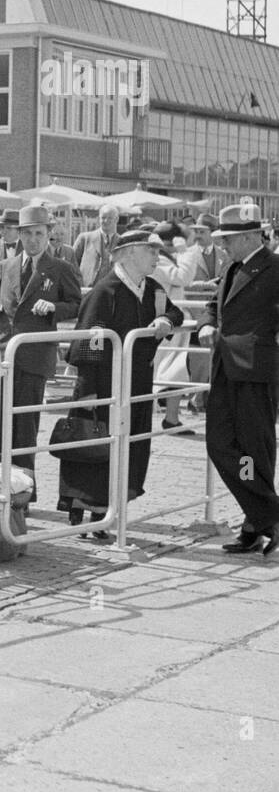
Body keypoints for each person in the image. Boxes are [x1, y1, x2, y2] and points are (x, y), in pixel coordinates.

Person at [58, 230, 184, 538]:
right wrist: (92, 394)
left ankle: (111, 507)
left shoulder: (151, 288)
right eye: (150, 251)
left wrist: (165, 320)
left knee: (131, 446)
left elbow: (175, 311)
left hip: (138, 382)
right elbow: (89, 345)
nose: (157, 257)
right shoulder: (106, 291)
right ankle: (88, 512)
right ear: (128, 253)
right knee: (96, 445)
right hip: (103, 384)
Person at [195, 202, 279, 555]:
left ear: (248, 237)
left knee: (253, 451)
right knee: (221, 444)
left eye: (228, 239)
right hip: (227, 368)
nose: (223, 246)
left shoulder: (274, 268)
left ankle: (254, 522)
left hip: (256, 371)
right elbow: (215, 304)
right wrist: (207, 323)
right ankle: (267, 516)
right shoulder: (233, 266)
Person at [0, 204, 82, 499]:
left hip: (33, 355)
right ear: (19, 235)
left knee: (24, 426)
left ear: (49, 235)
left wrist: (54, 308)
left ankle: (23, 492)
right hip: (0, 351)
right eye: (28, 234)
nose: (34, 240)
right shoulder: (7, 265)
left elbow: (77, 304)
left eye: (39, 234)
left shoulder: (61, 268)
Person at [150, 221, 194, 435]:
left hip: (171, 323)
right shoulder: (158, 260)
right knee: (170, 371)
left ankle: (171, 418)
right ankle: (169, 418)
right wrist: (184, 251)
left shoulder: (162, 259)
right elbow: (183, 277)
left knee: (176, 370)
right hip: (166, 323)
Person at [73, 204, 121, 286]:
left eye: (110, 218)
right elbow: (71, 263)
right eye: (103, 217)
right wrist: (78, 282)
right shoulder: (84, 238)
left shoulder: (122, 241)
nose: (106, 221)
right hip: (86, 289)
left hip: (112, 290)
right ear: (99, 219)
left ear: (116, 219)